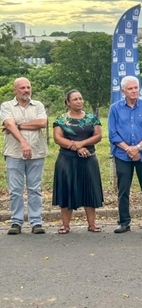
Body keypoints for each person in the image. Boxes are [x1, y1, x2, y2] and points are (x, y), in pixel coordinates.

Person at [108, 76, 142, 233]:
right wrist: (128, 149)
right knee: (123, 189)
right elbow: (112, 133)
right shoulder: (115, 108)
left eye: (136, 88)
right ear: (123, 91)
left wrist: (137, 148)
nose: (134, 91)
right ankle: (124, 222)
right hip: (122, 155)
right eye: (130, 88)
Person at [52, 90, 104, 234]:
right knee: (66, 190)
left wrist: (82, 144)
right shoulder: (60, 119)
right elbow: (58, 138)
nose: (79, 101)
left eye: (80, 98)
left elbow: (98, 136)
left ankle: (92, 224)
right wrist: (76, 148)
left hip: (88, 159)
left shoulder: (92, 118)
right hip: (67, 159)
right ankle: (66, 225)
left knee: (89, 190)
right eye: (75, 99)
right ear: (68, 102)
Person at [0, 77, 48, 235]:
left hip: (37, 152)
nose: (26, 90)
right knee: (15, 190)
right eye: (22, 88)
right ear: (15, 90)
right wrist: (23, 143)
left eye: (28, 87)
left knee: (34, 189)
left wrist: (18, 125)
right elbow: (9, 125)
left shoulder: (38, 105)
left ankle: (36, 222)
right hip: (14, 153)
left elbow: (42, 123)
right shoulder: (7, 106)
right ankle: (16, 222)